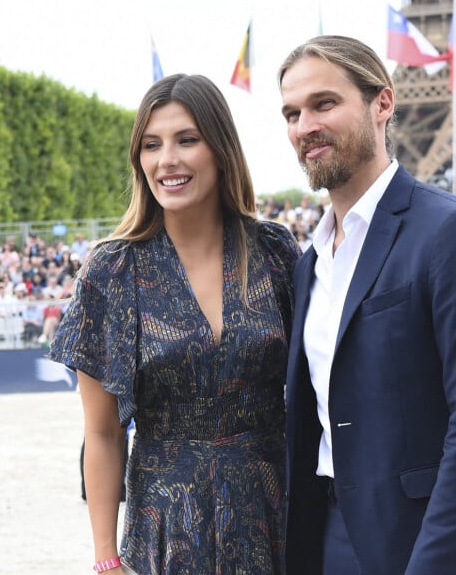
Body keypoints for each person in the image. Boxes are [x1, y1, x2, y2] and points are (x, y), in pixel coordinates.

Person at [278, 35, 456, 574]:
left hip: (430, 546)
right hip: (330, 542)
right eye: (292, 113)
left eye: (324, 103)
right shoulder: (308, 263)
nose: (305, 126)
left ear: (383, 103)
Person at [49, 73, 300, 574]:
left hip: (273, 517)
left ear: (221, 148)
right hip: (163, 527)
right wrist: (106, 559)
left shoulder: (274, 252)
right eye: (151, 144)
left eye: (187, 139)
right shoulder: (112, 272)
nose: (167, 160)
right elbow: (102, 434)